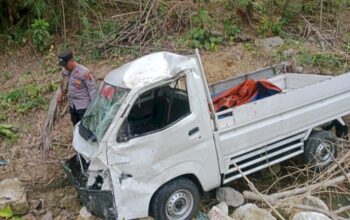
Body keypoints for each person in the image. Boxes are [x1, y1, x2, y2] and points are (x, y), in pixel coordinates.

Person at [57, 50, 97, 126]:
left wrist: (93, 108)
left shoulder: (84, 72)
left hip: (83, 107)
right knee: (76, 126)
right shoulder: (65, 71)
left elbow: (92, 90)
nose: (65, 67)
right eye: (63, 65)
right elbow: (65, 84)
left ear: (72, 60)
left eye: (66, 65)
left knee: (86, 128)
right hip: (72, 105)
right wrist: (61, 94)